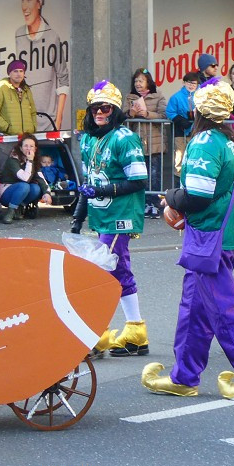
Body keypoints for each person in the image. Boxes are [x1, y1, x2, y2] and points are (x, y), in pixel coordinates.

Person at [142, 78, 234, 401]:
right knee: (194, 308)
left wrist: (170, 198)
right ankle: (184, 377)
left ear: (199, 109)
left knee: (223, 308)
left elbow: (198, 197)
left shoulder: (204, 143)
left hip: (208, 236)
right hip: (223, 234)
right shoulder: (232, 141)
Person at [70, 81, 147, 358]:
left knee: (102, 271)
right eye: (94, 108)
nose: (99, 113)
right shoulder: (88, 139)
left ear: (115, 110)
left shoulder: (124, 138)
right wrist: (77, 218)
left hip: (121, 214)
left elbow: (138, 181)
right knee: (118, 269)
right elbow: (88, 183)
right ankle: (136, 330)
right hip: (100, 215)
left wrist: (102, 190)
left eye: (105, 108)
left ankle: (96, 333)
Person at [15, 0, 69, 130]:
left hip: (48, 122)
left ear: (39, 2)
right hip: (24, 122)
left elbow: (64, 80)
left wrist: (58, 121)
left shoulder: (52, 36)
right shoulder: (19, 34)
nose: (24, 6)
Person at [127, 67, 167, 210]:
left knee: (154, 174)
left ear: (148, 82)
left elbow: (164, 115)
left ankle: (154, 204)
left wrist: (148, 114)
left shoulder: (158, 96)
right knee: (139, 174)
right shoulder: (130, 97)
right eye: (136, 81)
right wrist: (130, 113)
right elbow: (124, 119)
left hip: (154, 142)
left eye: (141, 81)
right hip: (137, 141)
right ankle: (142, 203)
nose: (138, 83)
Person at [0, 59, 37, 162]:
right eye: (15, 71)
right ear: (9, 73)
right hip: (7, 138)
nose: (19, 74)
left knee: (27, 170)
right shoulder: (0, 88)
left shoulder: (27, 90)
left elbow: (33, 112)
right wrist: (7, 128)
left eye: (21, 71)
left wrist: (33, 127)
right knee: (4, 171)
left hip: (25, 140)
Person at [0, 133, 53, 222]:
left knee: (36, 188)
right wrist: (30, 161)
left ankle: (19, 208)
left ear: (35, 149)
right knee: (24, 186)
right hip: (6, 192)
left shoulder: (34, 162)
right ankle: (10, 212)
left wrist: (47, 193)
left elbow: (41, 179)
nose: (28, 148)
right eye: (26, 146)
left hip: (21, 190)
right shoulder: (13, 160)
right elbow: (25, 178)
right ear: (20, 148)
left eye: (31, 146)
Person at [165, 71, 199, 174]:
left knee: (195, 156)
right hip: (179, 131)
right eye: (189, 82)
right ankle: (178, 180)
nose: (191, 85)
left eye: (194, 83)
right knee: (180, 158)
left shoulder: (201, 96)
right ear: (183, 83)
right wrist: (180, 120)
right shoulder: (176, 97)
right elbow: (169, 112)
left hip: (196, 130)